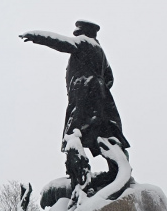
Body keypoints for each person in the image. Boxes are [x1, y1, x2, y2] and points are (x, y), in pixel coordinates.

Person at [20, 21, 129, 157]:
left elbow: (61, 42)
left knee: (77, 123)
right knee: (97, 122)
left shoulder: (84, 42)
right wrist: (100, 86)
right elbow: (110, 77)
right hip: (99, 92)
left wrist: (36, 36)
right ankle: (109, 151)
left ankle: (75, 150)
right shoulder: (100, 50)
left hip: (83, 89)